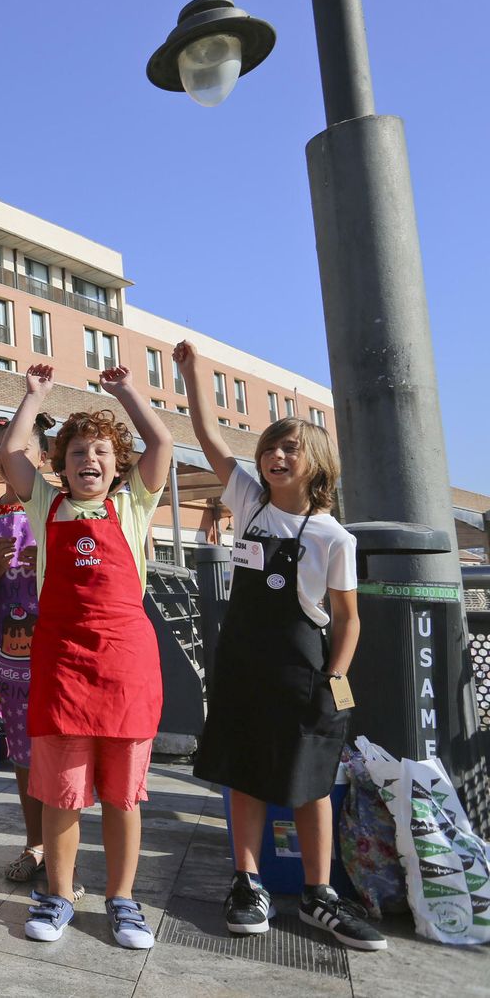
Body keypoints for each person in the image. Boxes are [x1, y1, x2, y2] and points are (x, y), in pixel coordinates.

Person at [174, 341, 383, 951]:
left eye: (290, 447)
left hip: (305, 673)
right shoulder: (249, 504)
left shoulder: (332, 537)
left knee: (311, 783)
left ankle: (319, 895)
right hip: (243, 667)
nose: (275, 455)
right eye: (270, 446)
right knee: (244, 775)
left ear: (315, 461)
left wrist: (334, 689)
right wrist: (193, 375)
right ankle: (247, 881)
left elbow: (348, 622)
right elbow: (210, 436)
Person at [0, 362, 171, 950]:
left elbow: (162, 441)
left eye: (100, 451)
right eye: (76, 451)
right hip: (63, 664)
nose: (88, 460)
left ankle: (123, 902)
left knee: (124, 795)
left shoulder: (133, 507)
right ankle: (59, 894)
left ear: (118, 466)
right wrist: (34, 395)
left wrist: (126, 392)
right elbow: (11, 452)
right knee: (61, 792)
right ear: (60, 463)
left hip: (126, 666)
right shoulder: (44, 504)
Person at [0, 414, 52, 885]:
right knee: (22, 754)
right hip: (12, 658)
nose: (9, 456)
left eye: (19, 448)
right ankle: (35, 844)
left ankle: (65, 854)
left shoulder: (62, 507)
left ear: (40, 456)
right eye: (2, 448)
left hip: (62, 654)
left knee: (63, 754)